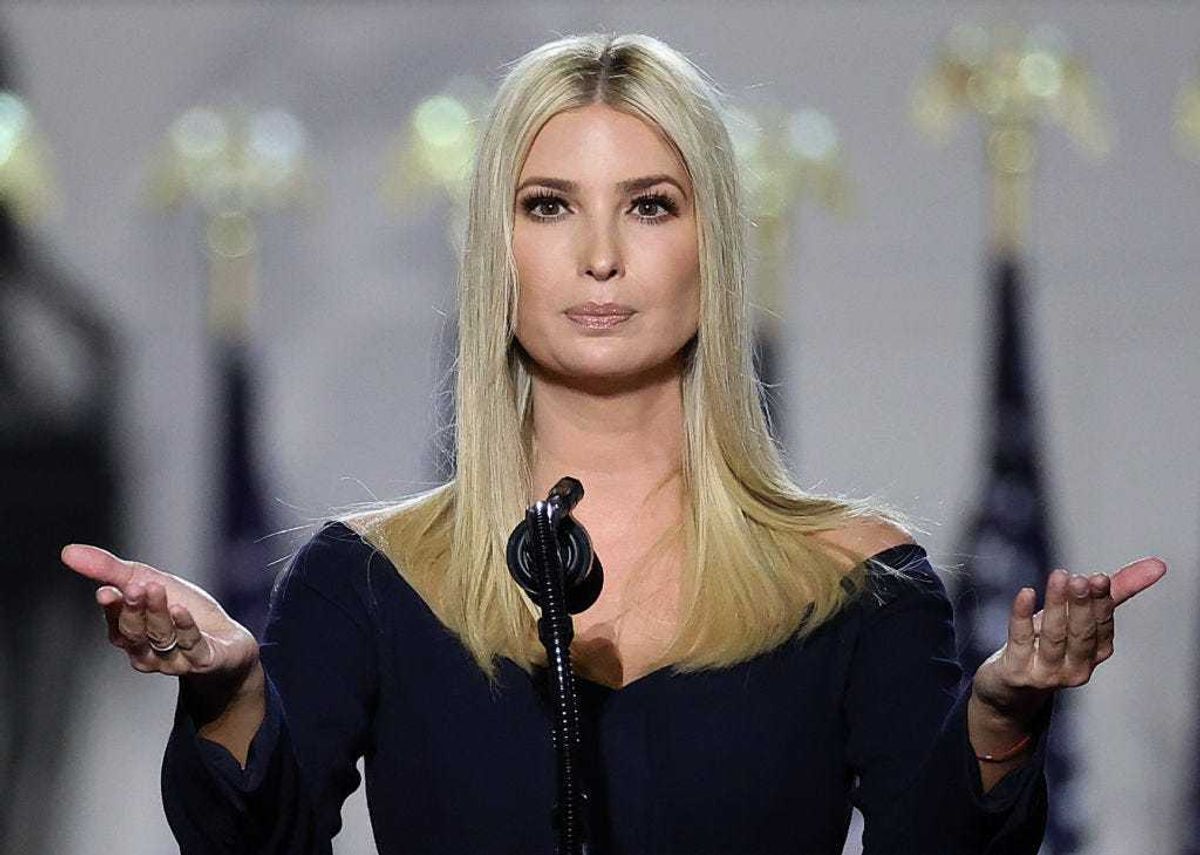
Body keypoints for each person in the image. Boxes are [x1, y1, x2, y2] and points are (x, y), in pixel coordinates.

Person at [60, 32, 1166, 855]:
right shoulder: (370, 583)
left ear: (712, 248)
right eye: (548, 206)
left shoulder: (858, 587)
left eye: (648, 206)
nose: (598, 255)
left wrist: (1004, 710)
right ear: (497, 252)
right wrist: (229, 692)